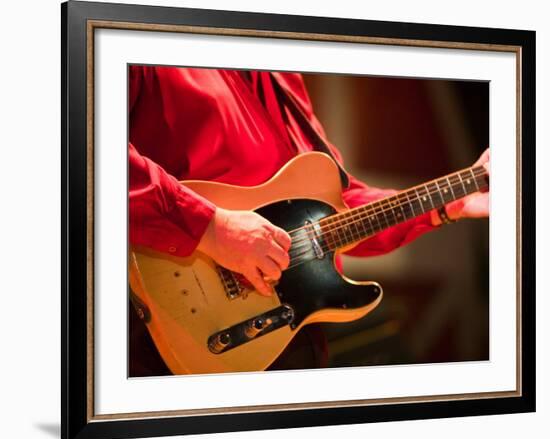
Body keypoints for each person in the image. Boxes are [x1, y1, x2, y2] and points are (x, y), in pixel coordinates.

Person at [128, 66, 489, 376]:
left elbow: (337, 208)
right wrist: (210, 227)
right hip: (161, 326)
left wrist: (448, 203)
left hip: (281, 342)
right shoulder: (147, 45)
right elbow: (88, 149)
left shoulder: (282, 75)